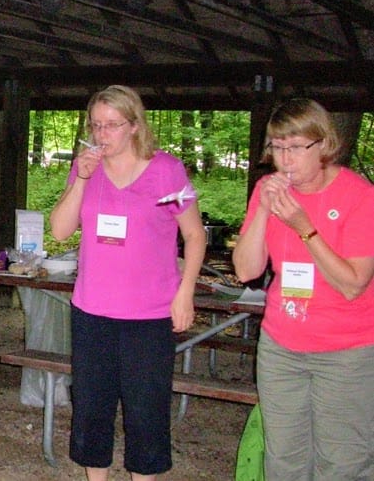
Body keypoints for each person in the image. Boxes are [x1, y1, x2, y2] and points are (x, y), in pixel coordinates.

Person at [48, 85, 205, 481]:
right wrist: (81, 178)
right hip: (93, 311)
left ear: (134, 125)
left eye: (112, 126)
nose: (102, 135)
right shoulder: (87, 167)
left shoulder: (165, 171)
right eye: (96, 125)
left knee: (145, 411)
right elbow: (61, 230)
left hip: (149, 315)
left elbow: (195, 234)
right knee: (91, 408)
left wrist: (185, 291)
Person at [232, 98, 374, 481]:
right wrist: (263, 209)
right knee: (284, 459)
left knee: (343, 462)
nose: (285, 159)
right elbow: (247, 270)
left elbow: (353, 284)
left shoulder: (359, 196)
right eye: (277, 148)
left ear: (324, 144)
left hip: (346, 352)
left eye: (295, 148)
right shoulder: (268, 189)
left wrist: (302, 225)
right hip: (282, 347)